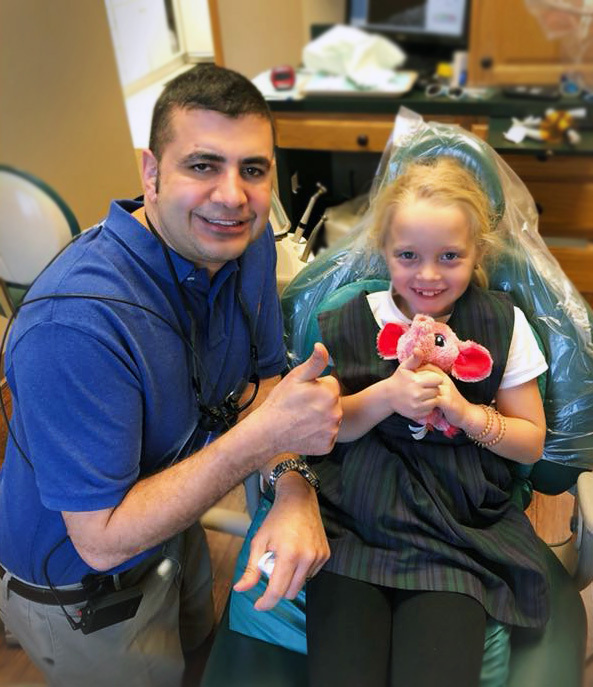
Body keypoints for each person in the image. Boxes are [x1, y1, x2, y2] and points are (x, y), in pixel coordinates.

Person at [0, 64, 341, 687]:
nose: (233, 196)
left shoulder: (245, 242)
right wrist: (266, 439)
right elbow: (101, 539)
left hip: (171, 518)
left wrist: (293, 487)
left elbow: (264, 383)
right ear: (150, 173)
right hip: (84, 586)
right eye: (203, 165)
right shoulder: (75, 325)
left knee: (199, 655)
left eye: (254, 170)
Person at [305, 157, 550, 687]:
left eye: (450, 256)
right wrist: (385, 397)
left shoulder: (504, 324)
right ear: (385, 252)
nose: (429, 274)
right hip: (354, 520)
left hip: (457, 531)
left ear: (477, 253)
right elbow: (327, 429)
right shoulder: (347, 321)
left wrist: (466, 414)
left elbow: (530, 444)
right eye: (409, 256)